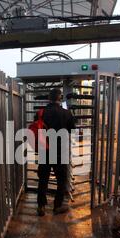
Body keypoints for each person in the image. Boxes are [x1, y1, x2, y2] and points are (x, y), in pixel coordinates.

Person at [36, 88, 76, 216]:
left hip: (45, 150)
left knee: (43, 179)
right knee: (61, 181)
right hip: (60, 152)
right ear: (60, 98)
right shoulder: (67, 113)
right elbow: (71, 130)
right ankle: (57, 206)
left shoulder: (41, 113)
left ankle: (41, 207)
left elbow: (36, 128)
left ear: (49, 98)